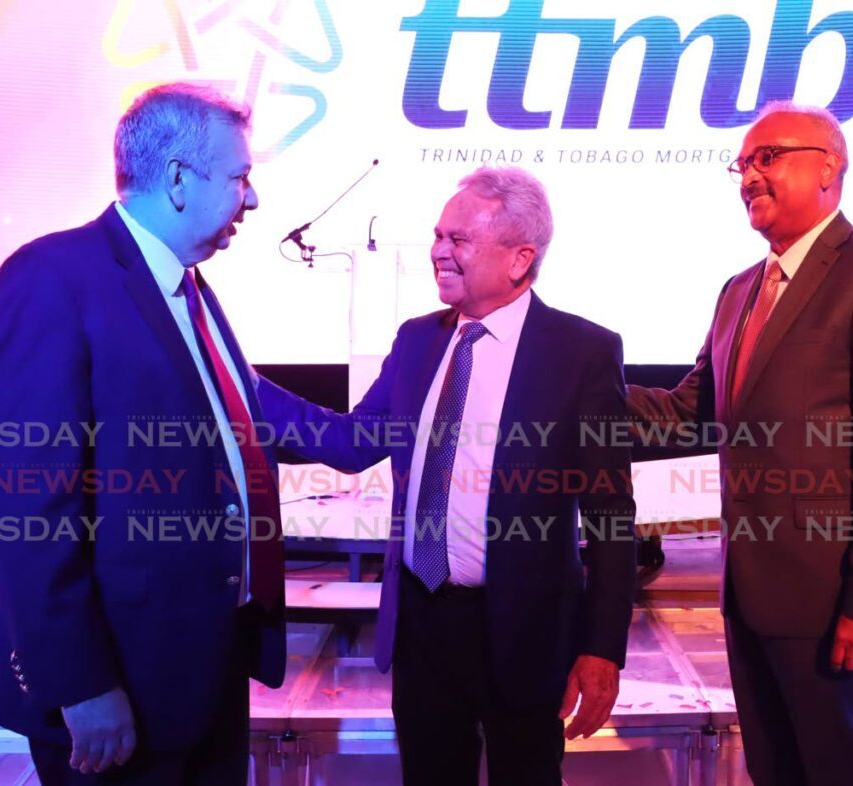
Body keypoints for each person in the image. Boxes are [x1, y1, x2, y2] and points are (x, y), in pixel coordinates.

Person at [257, 166, 636, 786]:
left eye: (458, 239)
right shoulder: (416, 341)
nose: (438, 251)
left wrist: (602, 648)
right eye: (438, 234)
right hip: (423, 626)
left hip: (524, 631)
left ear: (519, 259)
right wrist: (242, 386)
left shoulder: (582, 352)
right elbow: (353, 443)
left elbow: (612, 517)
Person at [627, 103, 853, 785]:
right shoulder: (740, 290)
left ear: (829, 166)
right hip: (747, 597)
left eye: (766, 157)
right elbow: (689, 413)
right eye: (741, 164)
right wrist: (571, 384)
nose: (748, 176)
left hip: (832, 604)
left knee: (835, 772)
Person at [0, 83, 286, 785]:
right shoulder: (53, 278)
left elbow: (230, 429)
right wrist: (79, 682)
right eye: (241, 177)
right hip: (115, 692)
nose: (252, 199)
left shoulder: (187, 289)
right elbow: (27, 505)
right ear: (180, 179)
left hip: (204, 673)